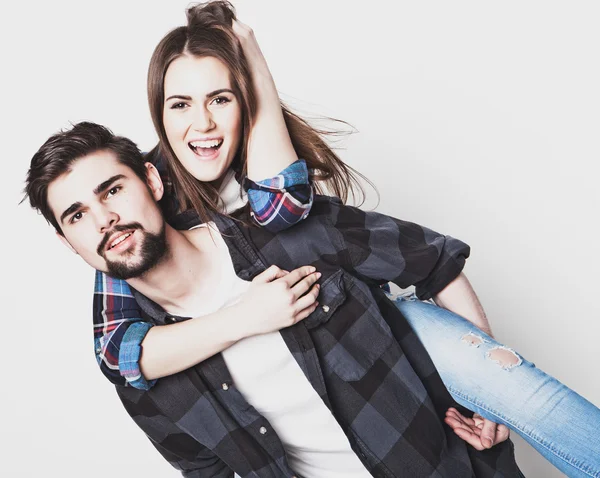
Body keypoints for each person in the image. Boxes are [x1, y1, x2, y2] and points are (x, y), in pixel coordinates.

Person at [80, 2, 599, 476]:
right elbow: (118, 349)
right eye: (180, 105)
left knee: (524, 395)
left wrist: (253, 59)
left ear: (248, 101)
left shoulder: (269, 167)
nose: (203, 123)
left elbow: (286, 208)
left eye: (221, 97)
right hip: (293, 366)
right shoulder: (141, 205)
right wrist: (246, 318)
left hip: (373, 325)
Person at [26, 120, 525, 477]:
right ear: (68, 242)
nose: (103, 219)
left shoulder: (287, 238)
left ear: (152, 181)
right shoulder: (144, 371)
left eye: (112, 190)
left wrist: (488, 397)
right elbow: (205, 469)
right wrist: (245, 318)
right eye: (76, 216)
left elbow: (433, 262)